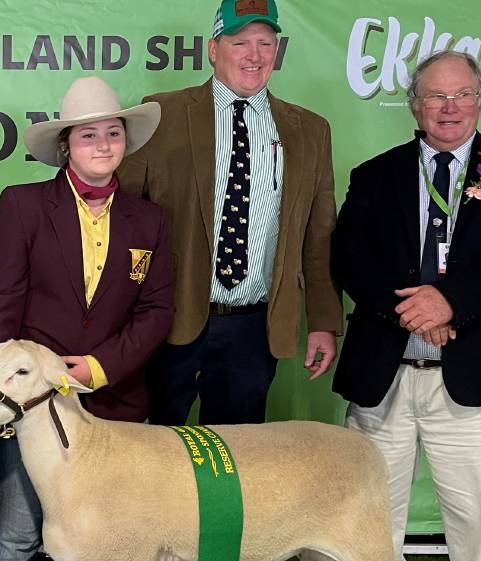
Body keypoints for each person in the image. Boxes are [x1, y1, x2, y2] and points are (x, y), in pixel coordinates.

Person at [329, 51, 481, 561]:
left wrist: (451, 303)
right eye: (435, 96)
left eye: (461, 95)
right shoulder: (376, 173)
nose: (448, 108)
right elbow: (350, 257)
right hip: (387, 368)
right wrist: (415, 312)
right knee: (373, 505)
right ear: (414, 104)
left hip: (476, 370)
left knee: (480, 510)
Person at [0, 76, 174, 561]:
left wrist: (99, 368)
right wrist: (2, 398)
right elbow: (0, 306)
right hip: (33, 410)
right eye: (88, 136)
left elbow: (156, 313)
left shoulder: (149, 221)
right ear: (66, 147)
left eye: (112, 133)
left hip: (116, 404)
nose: (102, 145)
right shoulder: (23, 206)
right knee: (17, 532)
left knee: (124, 535)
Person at [118, 0, 342, 427]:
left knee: (237, 462)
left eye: (265, 43)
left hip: (254, 328)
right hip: (170, 318)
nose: (254, 56)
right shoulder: (160, 114)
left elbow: (319, 237)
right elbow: (126, 222)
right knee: (156, 458)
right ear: (213, 49)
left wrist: (324, 321)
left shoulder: (310, 130)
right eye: (240, 43)